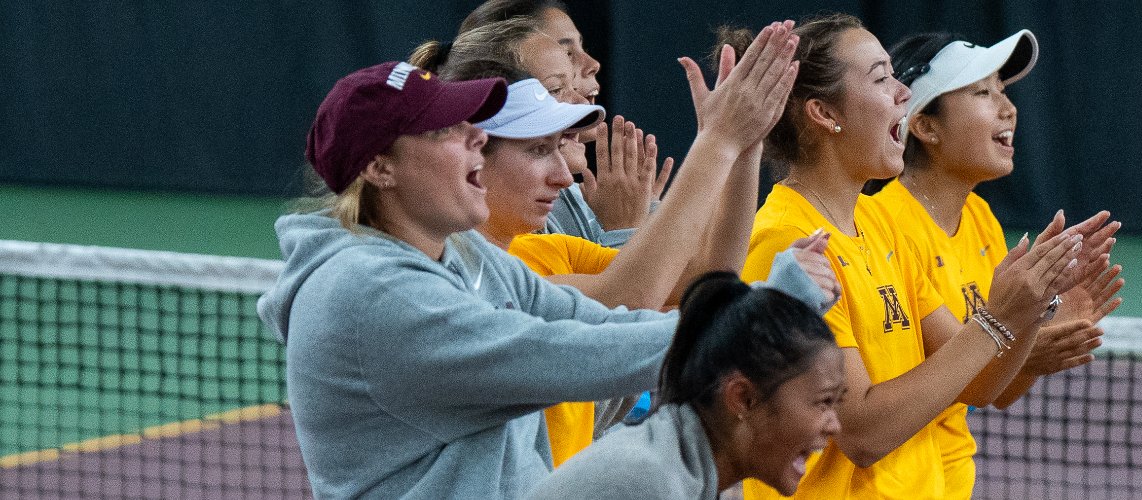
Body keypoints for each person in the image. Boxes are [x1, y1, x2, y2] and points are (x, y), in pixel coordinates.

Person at [257, 58, 830, 499]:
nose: (475, 135)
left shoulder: (466, 256)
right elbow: (573, 355)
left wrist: (754, 313)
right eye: (445, 130)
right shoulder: (369, 293)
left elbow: (609, 324)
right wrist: (765, 309)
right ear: (381, 167)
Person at [730, 14, 1115, 499]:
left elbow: (980, 385)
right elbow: (862, 434)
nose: (902, 94)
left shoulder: (881, 226)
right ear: (825, 114)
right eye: (881, 79)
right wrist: (999, 319)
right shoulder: (785, 243)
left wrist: (1032, 305)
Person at [408, 18, 808, 466]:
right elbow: (629, 298)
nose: (564, 175)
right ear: (472, 151)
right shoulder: (454, 278)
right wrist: (718, 142)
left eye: (558, 143)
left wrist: (744, 145)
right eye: (538, 148)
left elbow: (708, 279)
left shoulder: (546, 252)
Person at [870, 29, 1125, 498]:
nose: (1009, 108)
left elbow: (1000, 391)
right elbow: (977, 384)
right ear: (925, 126)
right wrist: (1030, 330)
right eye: (982, 93)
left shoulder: (980, 220)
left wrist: (1041, 320)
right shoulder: (882, 226)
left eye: (1003, 91)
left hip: (948, 484)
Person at [527, 272, 846, 500]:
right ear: (743, 398)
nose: (834, 425)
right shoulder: (650, 480)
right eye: (823, 402)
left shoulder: (685, 465)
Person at [460, 0, 653, 247]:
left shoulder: (574, 201)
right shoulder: (477, 240)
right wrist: (623, 228)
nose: (594, 64)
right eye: (556, 88)